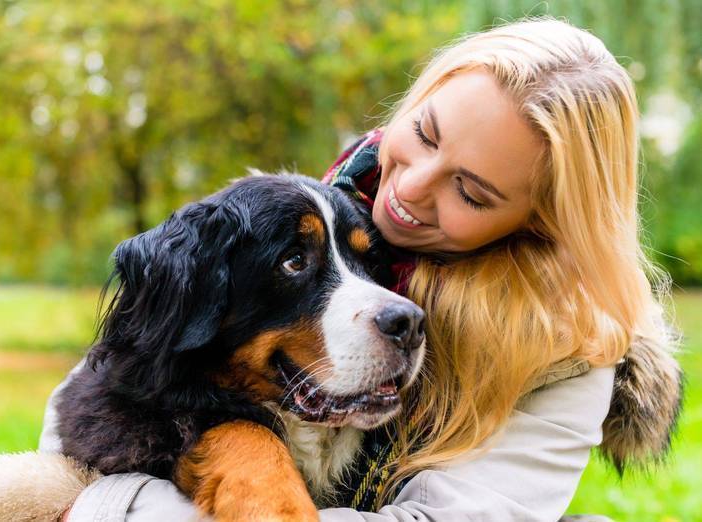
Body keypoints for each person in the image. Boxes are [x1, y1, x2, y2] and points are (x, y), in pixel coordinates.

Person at [44, 17, 682, 521]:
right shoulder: (319, 207)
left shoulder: (570, 348)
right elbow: (102, 396)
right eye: (426, 134)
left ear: (539, 223)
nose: (410, 187)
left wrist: (102, 511)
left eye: (472, 191)